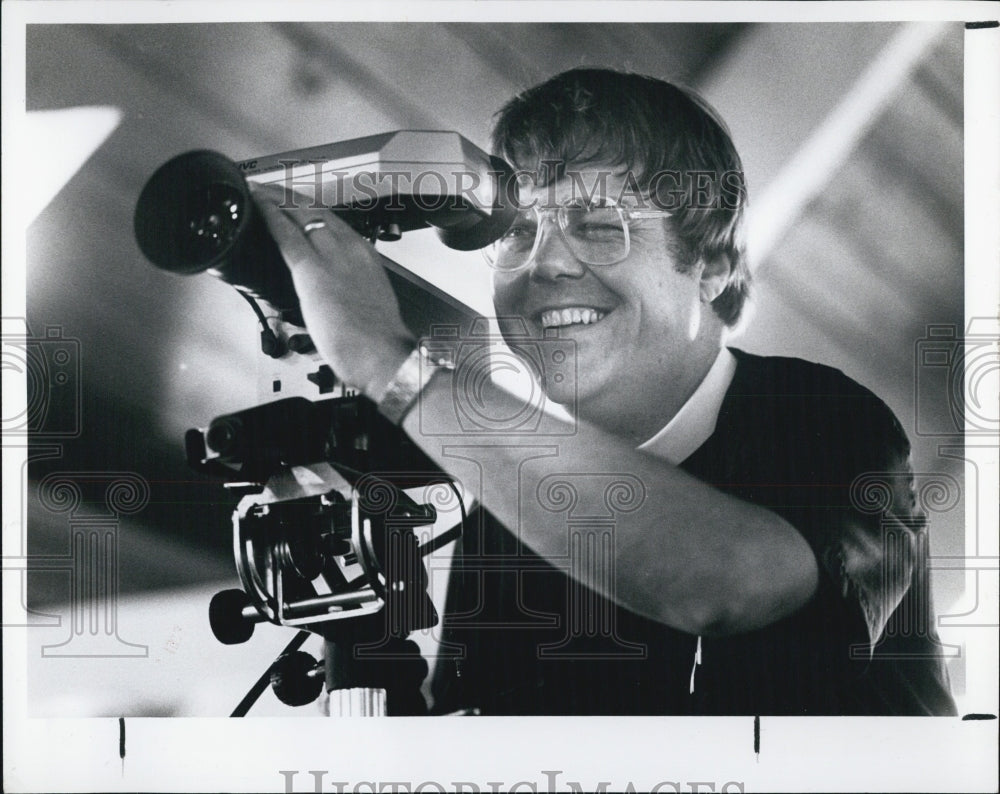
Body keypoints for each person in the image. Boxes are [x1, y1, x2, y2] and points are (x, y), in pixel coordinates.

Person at [253, 68, 956, 715]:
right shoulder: (506, 515)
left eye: (596, 225)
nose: (545, 263)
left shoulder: (817, 417)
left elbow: (726, 585)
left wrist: (389, 363)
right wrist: (359, 639)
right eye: (518, 232)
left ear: (711, 265)